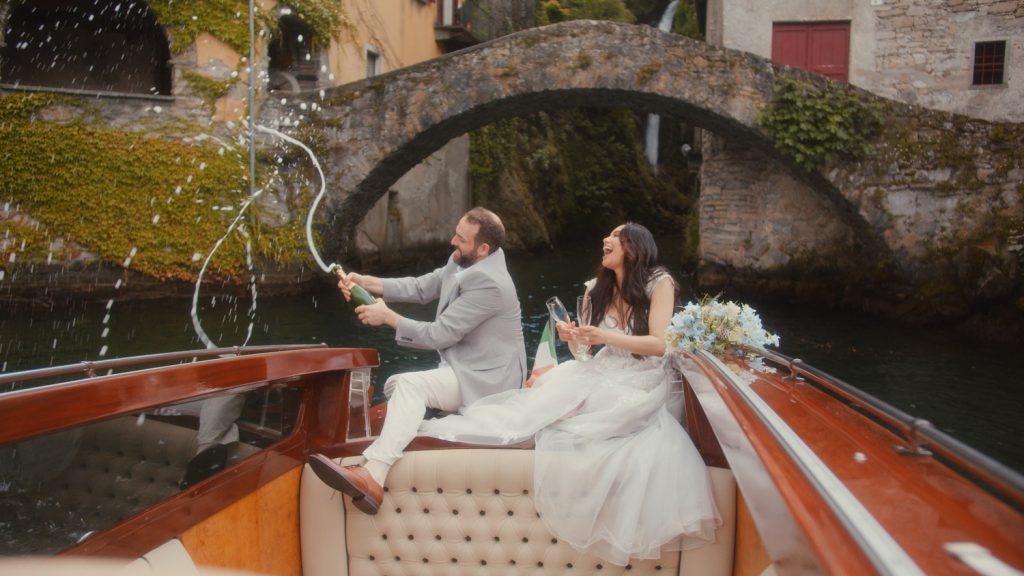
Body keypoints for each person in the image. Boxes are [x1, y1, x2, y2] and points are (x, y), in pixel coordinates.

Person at [418, 222, 721, 566]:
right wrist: (572, 337)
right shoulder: (595, 289)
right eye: (606, 235)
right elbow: (584, 354)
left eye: (615, 236)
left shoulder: (659, 283)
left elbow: (658, 344)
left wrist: (603, 337)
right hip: (602, 367)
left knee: (589, 415)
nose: (605, 240)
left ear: (634, 247)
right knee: (541, 406)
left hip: (644, 376)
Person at [307, 207, 527, 514]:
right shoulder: (465, 259)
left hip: (489, 378)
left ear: (483, 248)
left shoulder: (490, 284)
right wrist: (367, 282)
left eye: (460, 239)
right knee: (396, 384)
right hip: (467, 366)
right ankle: (409, 436)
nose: (452, 241)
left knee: (410, 385)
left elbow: (439, 334)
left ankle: (374, 474)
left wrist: (388, 317)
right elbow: (422, 287)